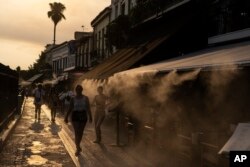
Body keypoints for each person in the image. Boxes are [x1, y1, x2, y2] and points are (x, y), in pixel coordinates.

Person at [64, 85, 92, 156]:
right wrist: (66, 117)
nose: (78, 91)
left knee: (81, 132)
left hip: (83, 115)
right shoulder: (73, 99)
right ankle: (77, 147)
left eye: (79, 90)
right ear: (76, 90)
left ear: (82, 90)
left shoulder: (86, 98)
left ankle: (78, 145)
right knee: (77, 131)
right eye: (77, 90)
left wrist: (90, 117)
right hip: (75, 115)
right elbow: (70, 108)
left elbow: (88, 108)